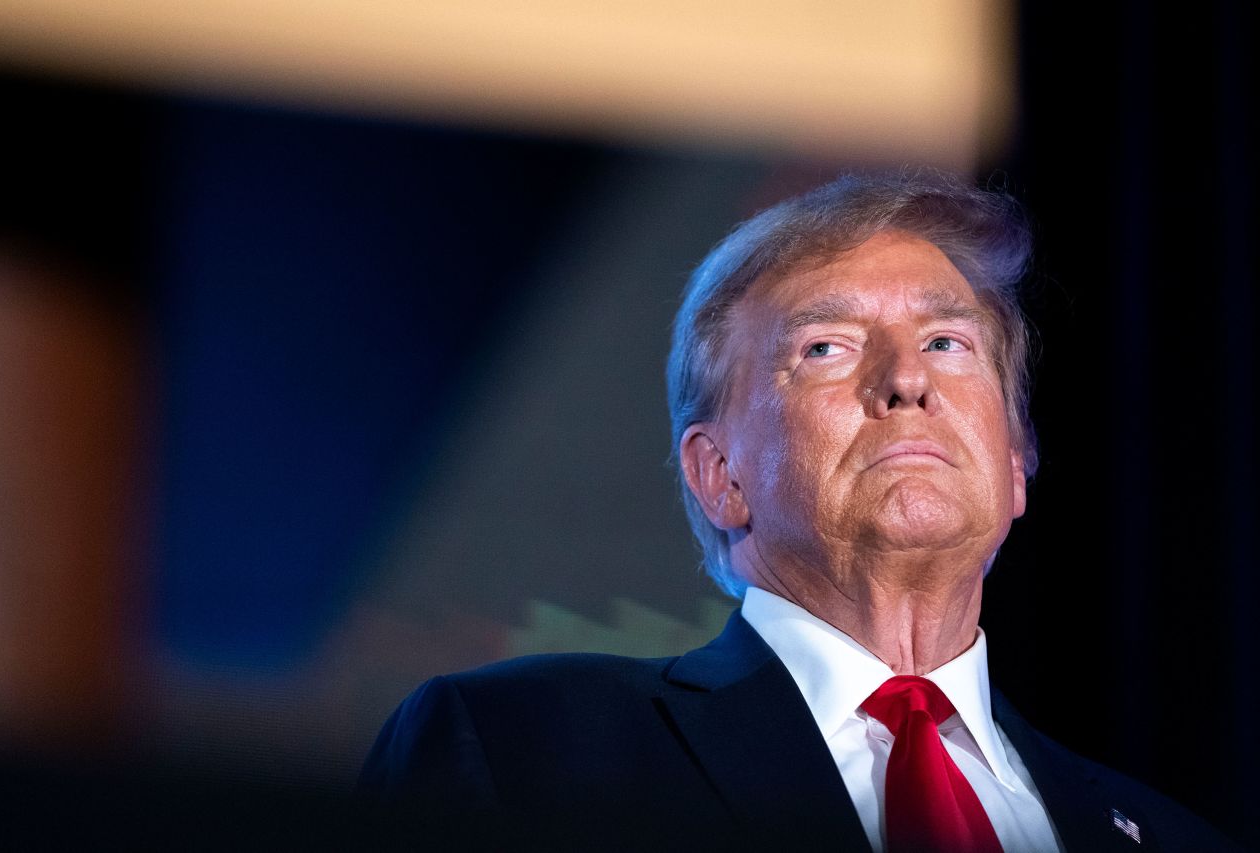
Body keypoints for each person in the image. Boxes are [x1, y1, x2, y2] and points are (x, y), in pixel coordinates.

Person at [360, 171, 1236, 852]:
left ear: (1014, 465)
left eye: (947, 342)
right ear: (719, 474)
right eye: (826, 347)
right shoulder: (525, 754)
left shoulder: (1172, 840)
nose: (906, 379)